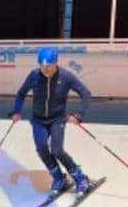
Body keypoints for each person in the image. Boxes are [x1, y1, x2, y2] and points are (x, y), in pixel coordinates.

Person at [11, 46, 92, 194]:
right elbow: (21, 93)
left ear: (56, 63)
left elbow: (86, 93)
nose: (45, 70)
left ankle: (80, 178)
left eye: (48, 66)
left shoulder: (66, 77)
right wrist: (17, 111)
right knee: (41, 148)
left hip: (57, 119)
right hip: (38, 120)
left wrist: (79, 115)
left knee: (57, 150)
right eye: (42, 66)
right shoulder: (34, 75)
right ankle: (59, 178)